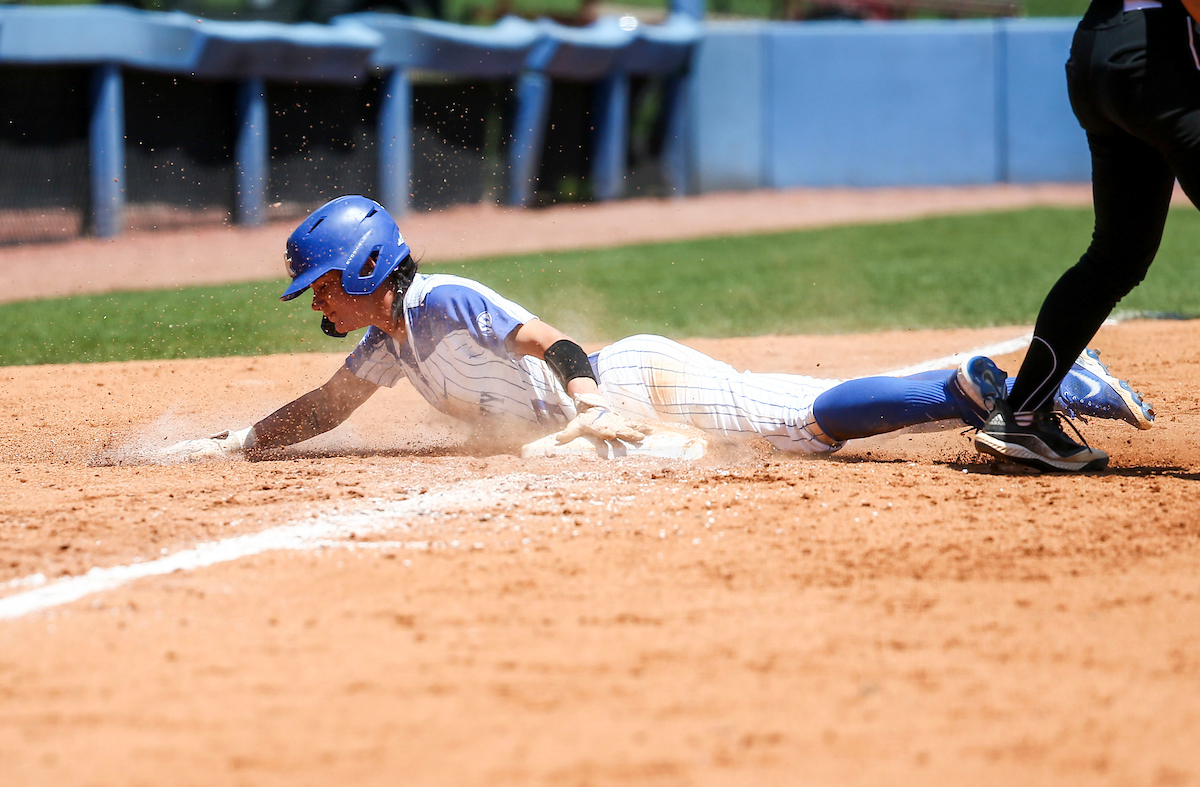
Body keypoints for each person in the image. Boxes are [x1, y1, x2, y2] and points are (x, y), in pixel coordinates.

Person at [164, 196, 1154, 464]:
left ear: (369, 270)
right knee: (801, 431)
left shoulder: (442, 300)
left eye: (324, 287)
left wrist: (588, 404)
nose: (320, 304)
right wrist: (237, 442)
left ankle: (1015, 380)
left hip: (637, 385)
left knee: (804, 424)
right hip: (618, 409)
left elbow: (557, 344)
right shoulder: (388, 343)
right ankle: (1003, 382)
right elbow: (326, 409)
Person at [975, 0, 1193, 471]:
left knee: (1117, 256)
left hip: (1096, 52)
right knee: (1116, 256)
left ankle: (1024, 416)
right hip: (1158, 55)